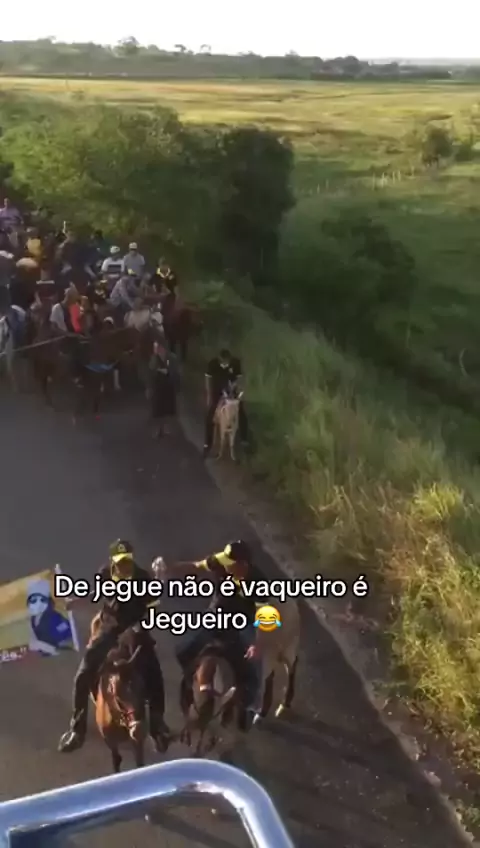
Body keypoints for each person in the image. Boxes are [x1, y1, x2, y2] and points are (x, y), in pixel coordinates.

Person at [58, 539, 171, 754]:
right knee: (83, 674)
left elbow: (153, 606)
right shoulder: (105, 573)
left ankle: (158, 726)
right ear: (112, 561)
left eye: (127, 560)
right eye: (120, 562)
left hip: (135, 629)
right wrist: (76, 601)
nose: (124, 565)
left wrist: (144, 623)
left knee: (154, 672)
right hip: (110, 627)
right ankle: (77, 730)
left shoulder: (143, 578)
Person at [154, 540, 259, 731]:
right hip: (215, 616)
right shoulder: (220, 562)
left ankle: (248, 705)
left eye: (231, 564)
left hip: (242, 623)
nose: (226, 567)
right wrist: (170, 568)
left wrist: (257, 643)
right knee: (184, 651)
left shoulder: (258, 582)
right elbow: (197, 566)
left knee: (253, 669)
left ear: (243, 565)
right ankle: (190, 682)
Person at [203, 348, 249, 458]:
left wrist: (236, 387)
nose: (225, 364)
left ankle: (244, 440)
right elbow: (208, 380)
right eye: (223, 362)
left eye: (227, 362)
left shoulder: (236, 363)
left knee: (241, 411)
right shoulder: (212, 364)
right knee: (210, 415)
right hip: (217, 391)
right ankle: (208, 443)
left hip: (231, 391)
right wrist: (209, 396)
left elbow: (240, 380)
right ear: (219, 360)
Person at [27, 577, 73, 655]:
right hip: (50, 651)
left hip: (58, 650)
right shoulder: (34, 618)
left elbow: (67, 632)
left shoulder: (53, 617)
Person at [147, 340, 179, 438]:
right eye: (155, 348)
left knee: (167, 408)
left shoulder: (171, 357)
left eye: (157, 347)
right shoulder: (154, 358)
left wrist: (168, 372)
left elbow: (175, 371)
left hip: (168, 386)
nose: (156, 350)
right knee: (157, 409)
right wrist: (149, 387)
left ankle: (165, 427)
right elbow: (150, 371)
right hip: (157, 387)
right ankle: (158, 428)